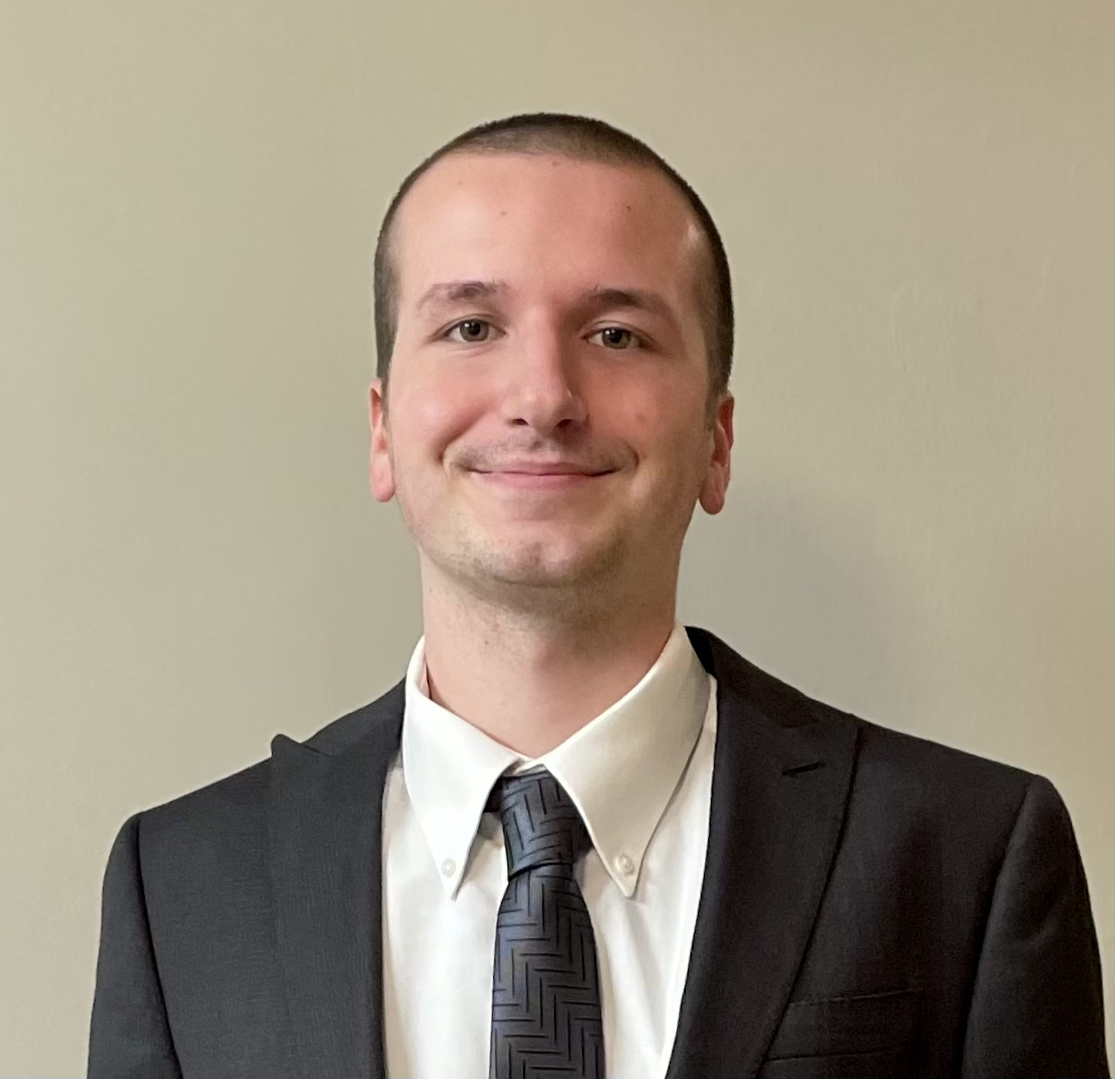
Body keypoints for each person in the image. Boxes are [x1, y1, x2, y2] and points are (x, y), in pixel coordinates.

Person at [87, 113, 1109, 1079]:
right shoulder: (179, 885)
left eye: (616, 334)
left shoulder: (967, 855)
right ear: (382, 430)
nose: (543, 396)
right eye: (470, 325)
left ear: (715, 440)